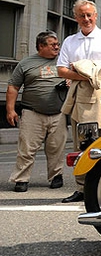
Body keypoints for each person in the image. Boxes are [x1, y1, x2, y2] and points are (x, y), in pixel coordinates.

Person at [57, 0, 101, 203]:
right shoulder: (69, 41)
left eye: (89, 15)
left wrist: (82, 67)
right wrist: (90, 75)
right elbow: (61, 70)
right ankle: (82, 188)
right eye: (82, 15)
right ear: (75, 17)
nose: (86, 19)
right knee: (81, 142)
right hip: (79, 98)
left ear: (96, 16)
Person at [7, 31, 67, 192]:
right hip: (32, 112)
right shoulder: (26, 63)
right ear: (41, 46)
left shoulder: (63, 61)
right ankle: (21, 179)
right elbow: (13, 86)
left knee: (56, 147)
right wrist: (10, 110)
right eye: (52, 44)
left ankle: (56, 176)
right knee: (27, 148)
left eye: (57, 44)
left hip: (58, 112)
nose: (57, 47)